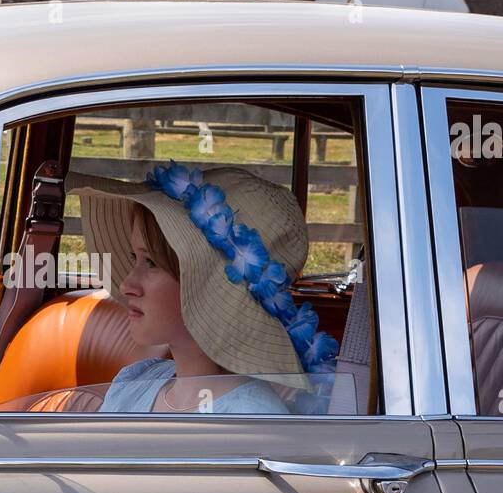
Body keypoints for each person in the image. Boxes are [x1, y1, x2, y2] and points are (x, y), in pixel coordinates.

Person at [67, 161, 338, 414]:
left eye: (151, 262)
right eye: (132, 258)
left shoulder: (252, 420)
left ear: (211, 287)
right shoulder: (135, 383)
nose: (127, 285)